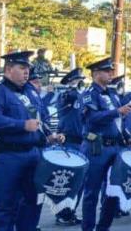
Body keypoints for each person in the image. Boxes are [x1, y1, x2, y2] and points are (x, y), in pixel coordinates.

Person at [0, 50, 64, 231]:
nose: (26, 72)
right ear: (8, 69)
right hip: (7, 155)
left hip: (34, 154)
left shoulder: (31, 92)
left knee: (32, 203)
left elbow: (40, 119)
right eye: (22, 68)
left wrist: (49, 137)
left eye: (27, 68)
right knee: (4, 206)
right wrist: (21, 125)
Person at [80, 58, 131, 231]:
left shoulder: (112, 95)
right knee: (91, 193)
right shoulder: (89, 94)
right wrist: (116, 111)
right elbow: (92, 118)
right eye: (107, 71)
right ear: (96, 74)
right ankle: (88, 228)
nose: (111, 74)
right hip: (97, 148)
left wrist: (127, 137)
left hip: (115, 147)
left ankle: (103, 227)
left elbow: (118, 122)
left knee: (113, 191)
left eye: (111, 71)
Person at [55, 68, 87, 226]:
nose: (80, 83)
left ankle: (70, 211)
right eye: (76, 80)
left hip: (79, 142)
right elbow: (69, 97)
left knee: (79, 181)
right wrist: (72, 87)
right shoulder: (65, 96)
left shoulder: (79, 97)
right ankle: (63, 212)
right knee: (69, 180)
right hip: (69, 141)